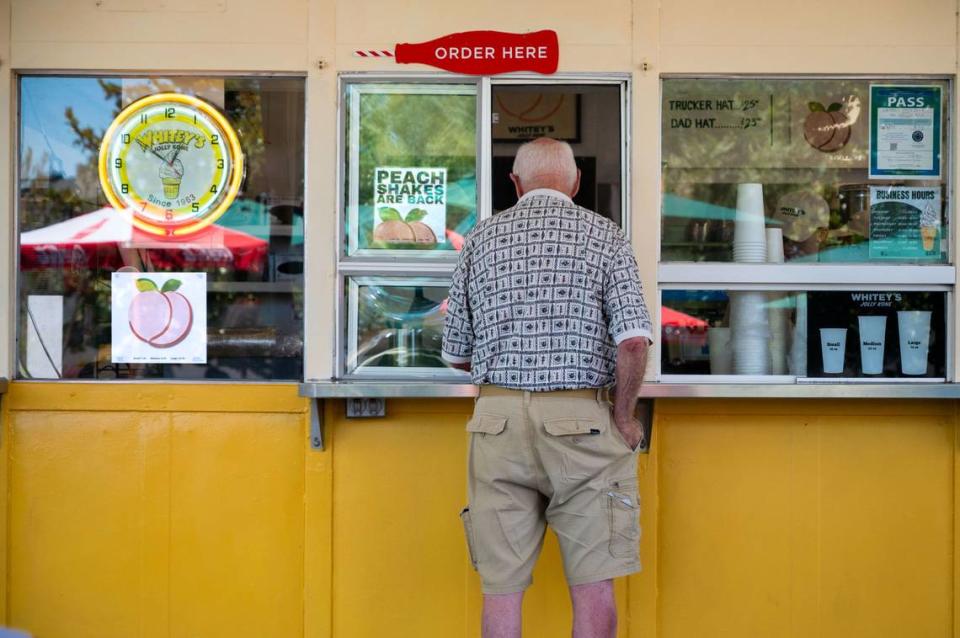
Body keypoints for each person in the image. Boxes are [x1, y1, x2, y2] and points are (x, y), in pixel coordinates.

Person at [441, 137, 653, 638]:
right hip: (582, 425)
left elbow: (456, 352)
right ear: (576, 182)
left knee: (501, 589)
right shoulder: (606, 237)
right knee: (595, 584)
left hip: (498, 424)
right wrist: (623, 418)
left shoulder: (480, 240)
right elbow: (634, 343)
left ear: (514, 184)